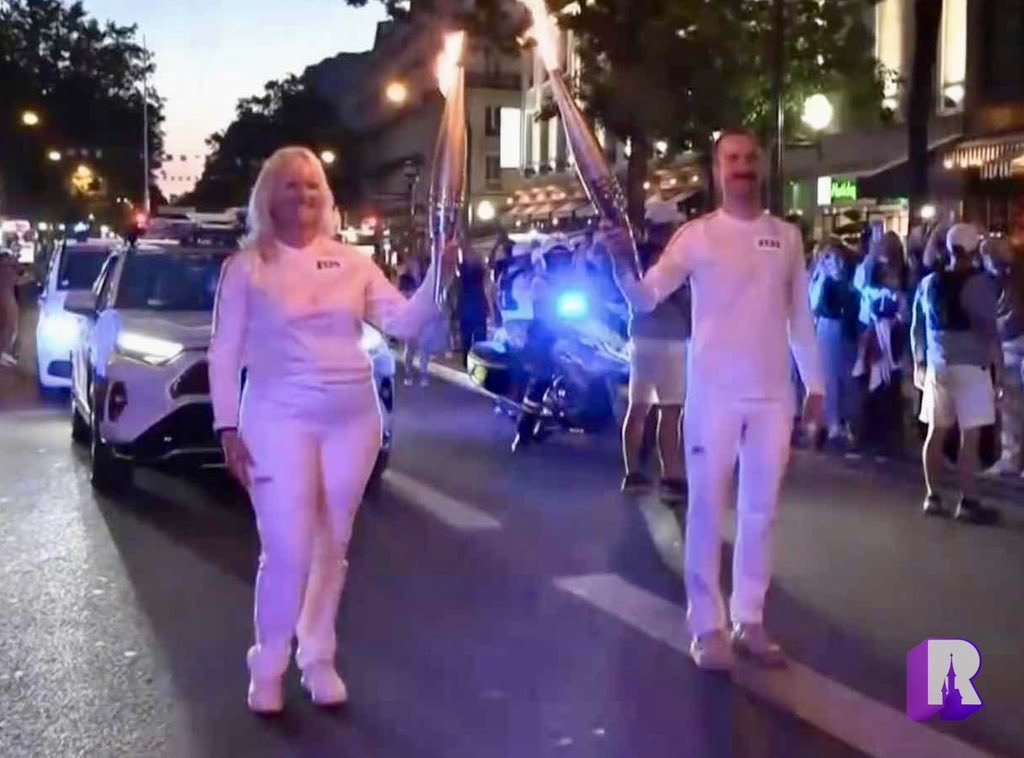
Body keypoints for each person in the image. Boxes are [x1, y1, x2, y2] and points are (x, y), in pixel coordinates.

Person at [208, 146, 453, 714]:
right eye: (291, 185)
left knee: (331, 545)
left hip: (352, 418)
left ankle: (318, 658)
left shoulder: (351, 262)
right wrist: (226, 426)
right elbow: (224, 352)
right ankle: (268, 662)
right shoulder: (246, 267)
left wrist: (440, 272)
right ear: (269, 196)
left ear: (325, 196)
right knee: (287, 549)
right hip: (276, 414)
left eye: (312, 185)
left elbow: (403, 322)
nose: (303, 195)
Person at [608, 129, 823, 670]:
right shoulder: (697, 236)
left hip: (773, 397)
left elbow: (800, 316)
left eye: (750, 158)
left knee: (760, 511)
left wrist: (816, 385)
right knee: (706, 509)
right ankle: (707, 626)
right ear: (717, 169)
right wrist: (620, 265)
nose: (742, 166)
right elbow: (646, 296)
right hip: (713, 396)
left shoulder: (786, 237)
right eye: (732, 158)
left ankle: (750, 619)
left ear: (761, 166)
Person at [911, 223, 1002, 524]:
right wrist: (999, 372)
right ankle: (967, 500)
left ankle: (932, 496)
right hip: (972, 366)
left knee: (935, 432)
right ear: (975, 250)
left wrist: (919, 363)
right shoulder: (980, 284)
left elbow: (917, 328)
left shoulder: (929, 283)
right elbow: (990, 332)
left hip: (938, 365)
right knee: (969, 437)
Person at [620, 226, 690, 504]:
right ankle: (654, 474)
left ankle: (656, 474)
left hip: (664, 343)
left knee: (660, 410)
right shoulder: (649, 272)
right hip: (656, 343)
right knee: (652, 409)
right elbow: (643, 301)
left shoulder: (672, 272)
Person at [981, 233, 1024, 477]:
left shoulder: (1017, 271)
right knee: (1010, 405)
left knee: (1013, 403)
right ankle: (1011, 458)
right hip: (1007, 343)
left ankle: (1014, 458)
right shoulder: (991, 280)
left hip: (1016, 339)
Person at [808, 239, 859, 448]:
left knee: (842, 376)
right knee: (828, 377)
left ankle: (840, 421)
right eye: (827, 256)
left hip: (842, 328)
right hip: (826, 327)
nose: (832, 260)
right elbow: (814, 303)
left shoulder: (848, 277)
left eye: (835, 255)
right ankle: (829, 423)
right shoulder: (819, 276)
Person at [0, 252, 20, 366]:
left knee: (6, 327)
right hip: (8, 300)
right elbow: (18, 281)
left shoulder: (9, 270)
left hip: (8, 299)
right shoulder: (10, 270)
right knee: (9, 327)